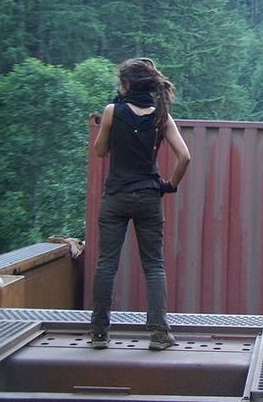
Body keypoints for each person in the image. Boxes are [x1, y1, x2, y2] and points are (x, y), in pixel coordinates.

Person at [90, 58, 190, 350]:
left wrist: (113, 121)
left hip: (116, 196)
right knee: (154, 266)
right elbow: (185, 156)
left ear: (126, 85)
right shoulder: (161, 116)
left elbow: (99, 151)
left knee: (106, 265)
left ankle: (99, 334)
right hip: (148, 196)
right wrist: (170, 185)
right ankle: (159, 334)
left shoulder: (112, 111)